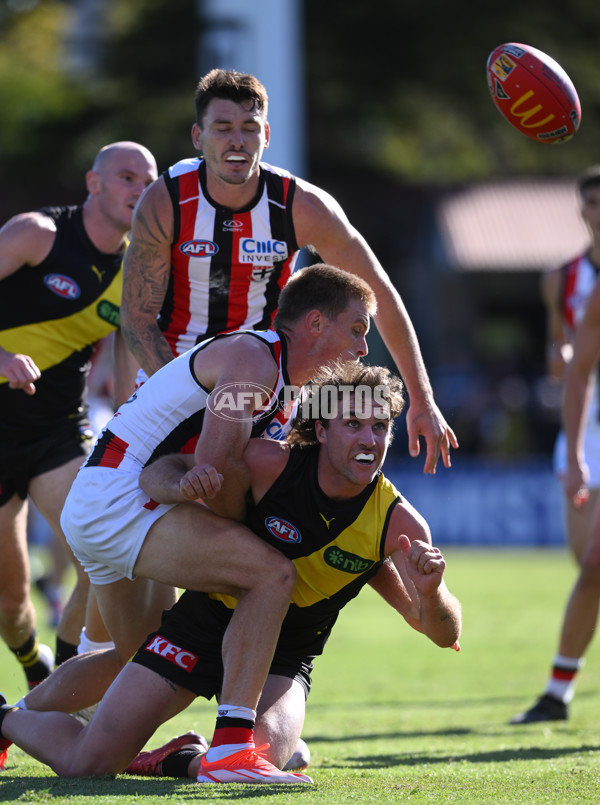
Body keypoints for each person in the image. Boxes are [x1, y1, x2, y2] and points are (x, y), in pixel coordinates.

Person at [0, 264, 377, 782]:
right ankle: (231, 747)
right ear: (314, 323)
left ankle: (10, 719)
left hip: (105, 502)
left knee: (147, 656)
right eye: (356, 329)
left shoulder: (284, 379)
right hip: (124, 501)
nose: (361, 347)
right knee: (270, 574)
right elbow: (215, 468)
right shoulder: (253, 359)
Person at [0, 362, 462, 783]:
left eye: (380, 428)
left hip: (285, 659)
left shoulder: (397, 522)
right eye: (353, 424)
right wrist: (181, 485)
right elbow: (162, 469)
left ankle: (182, 759)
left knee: (265, 755)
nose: (369, 440)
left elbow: (442, 632)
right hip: (202, 626)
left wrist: (434, 592)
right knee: (89, 766)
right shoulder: (269, 463)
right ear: (321, 431)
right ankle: (5, 718)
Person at [119, 67, 457, 471]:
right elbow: (137, 319)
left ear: (266, 135)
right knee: (143, 502)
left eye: (249, 127)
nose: (237, 141)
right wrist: (184, 389)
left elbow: (379, 293)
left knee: (249, 505)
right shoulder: (165, 201)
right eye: (223, 128)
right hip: (171, 373)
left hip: (263, 384)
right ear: (198, 137)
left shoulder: (302, 207)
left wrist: (421, 398)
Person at [0, 142, 158, 690]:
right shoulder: (36, 234)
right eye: (125, 177)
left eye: (147, 180)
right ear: (94, 184)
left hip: (58, 433)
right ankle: (32, 662)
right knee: (12, 600)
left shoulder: (138, 269)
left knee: (107, 541)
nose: (138, 189)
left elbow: (126, 355)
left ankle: (70, 677)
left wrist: (131, 428)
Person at [511, 166, 600, 723]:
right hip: (587, 426)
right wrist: (573, 453)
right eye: (592, 203)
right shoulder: (562, 279)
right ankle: (559, 691)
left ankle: (557, 691)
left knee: (595, 564)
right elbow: (563, 359)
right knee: (588, 566)